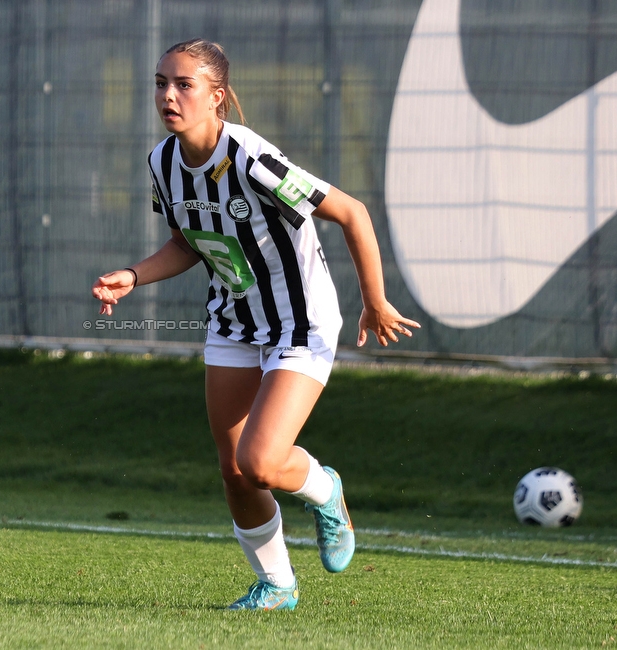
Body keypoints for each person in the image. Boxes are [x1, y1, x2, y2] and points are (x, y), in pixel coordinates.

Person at [91, 38, 419, 611]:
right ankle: (277, 585)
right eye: (161, 83)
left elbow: (351, 212)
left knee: (263, 462)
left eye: (184, 84)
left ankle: (326, 490)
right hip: (234, 320)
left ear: (217, 97)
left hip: (301, 320)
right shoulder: (162, 163)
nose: (168, 95)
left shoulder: (252, 161)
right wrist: (134, 275)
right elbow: (186, 244)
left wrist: (375, 300)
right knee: (234, 471)